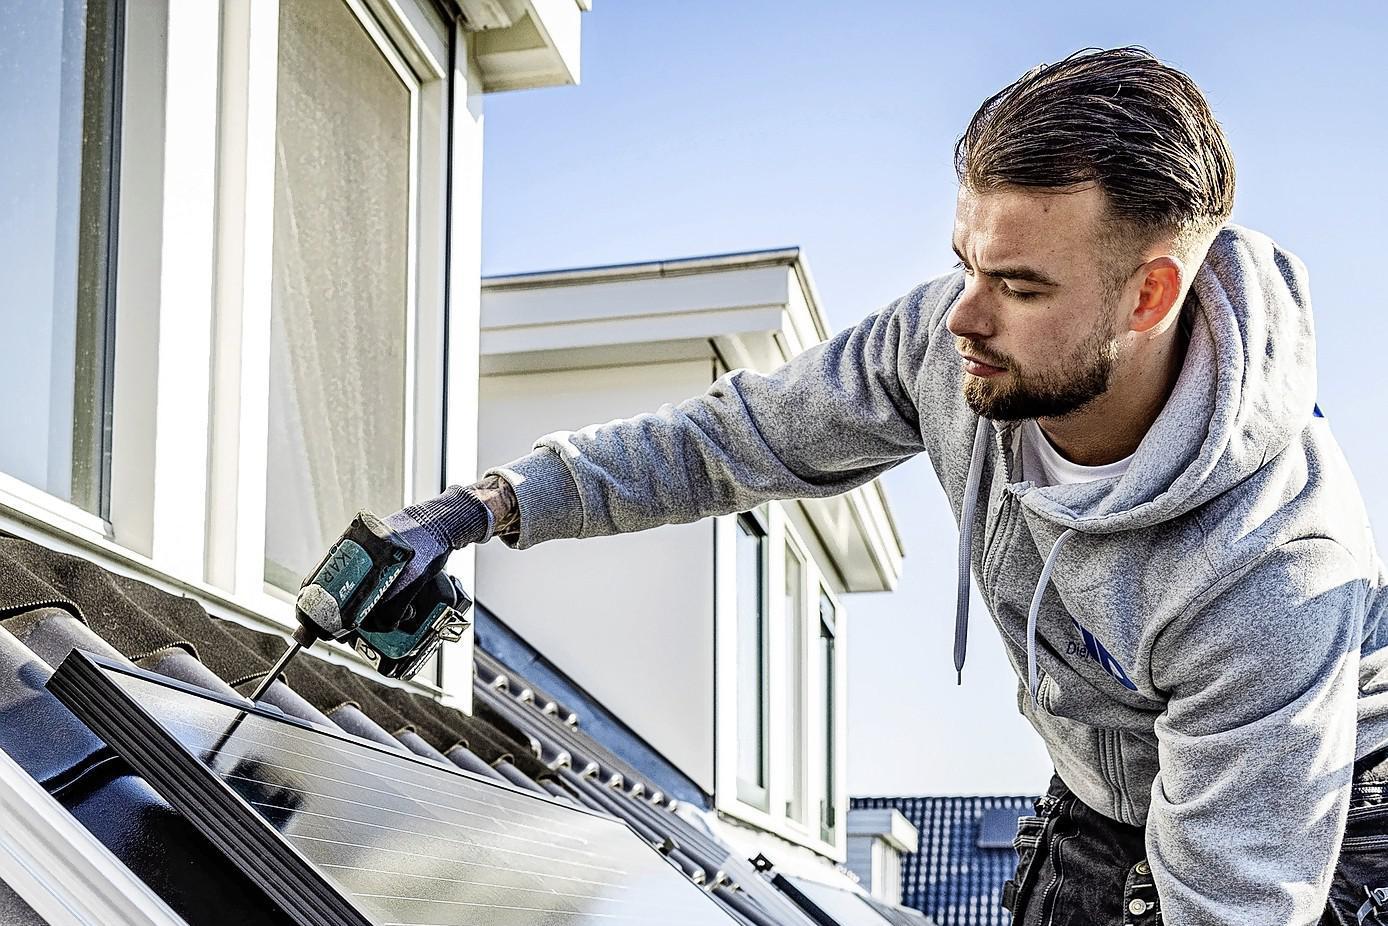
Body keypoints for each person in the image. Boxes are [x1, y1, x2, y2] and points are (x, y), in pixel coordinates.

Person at [349, 47, 1388, 925]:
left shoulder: (1270, 572)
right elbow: (725, 440)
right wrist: (481, 505)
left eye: (1018, 286)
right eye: (966, 262)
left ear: (1149, 292)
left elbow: (1234, 901)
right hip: (1099, 776)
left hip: (1308, 805)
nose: (962, 317)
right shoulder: (950, 343)